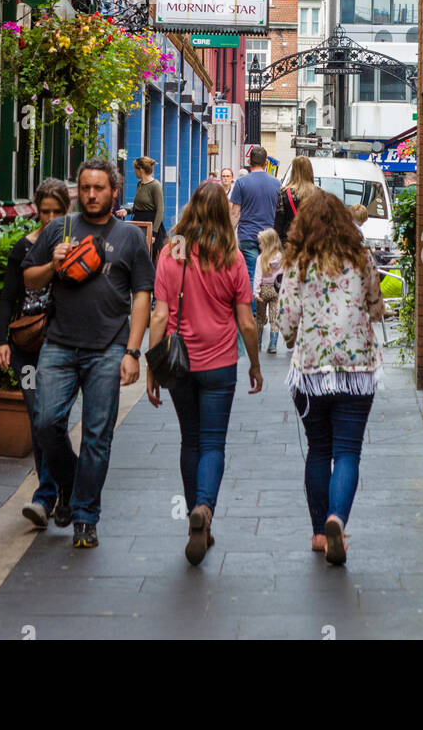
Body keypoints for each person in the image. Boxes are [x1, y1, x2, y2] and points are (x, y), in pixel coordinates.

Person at [24, 158, 154, 549]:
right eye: (84, 188)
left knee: (98, 436)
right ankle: (69, 483)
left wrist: (133, 351)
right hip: (59, 345)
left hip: (108, 349)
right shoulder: (59, 229)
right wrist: (53, 263)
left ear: (114, 192)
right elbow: (29, 279)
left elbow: (143, 295)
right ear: (76, 191)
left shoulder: (130, 237)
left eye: (99, 188)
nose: (91, 195)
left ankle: (85, 517)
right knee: (46, 423)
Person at [147, 181, 263, 565]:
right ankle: (205, 511)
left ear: (191, 208)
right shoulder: (231, 257)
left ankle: (196, 523)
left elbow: (160, 314)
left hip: (179, 364)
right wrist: (255, 364)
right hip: (219, 364)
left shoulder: (170, 252)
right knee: (213, 443)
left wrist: (152, 367)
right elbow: (246, 322)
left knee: (190, 441)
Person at [278, 190, 385, 564]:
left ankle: (319, 533)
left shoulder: (298, 263)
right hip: (357, 371)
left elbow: (287, 321)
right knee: (348, 452)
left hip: (310, 373)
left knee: (319, 450)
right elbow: (376, 306)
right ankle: (337, 517)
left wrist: (293, 338)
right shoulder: (361, 258)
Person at [0, 178, 70, 530]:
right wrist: (1, 341)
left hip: (61, 348)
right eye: (45, 212)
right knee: (38, 415)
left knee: (52, 421)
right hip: (27, 348)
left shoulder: (74, 247)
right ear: (36, 210)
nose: (49, 218)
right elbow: (8, 297)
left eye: (56, 212)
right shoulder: (23, 248)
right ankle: (47, 495)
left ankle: (59, 490)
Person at [228, 145, 280, 305]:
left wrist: (229, 234)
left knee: (251, 275)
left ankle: (252, 317)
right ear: (266, 163)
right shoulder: (277, 184)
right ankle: (266, 313)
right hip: (270, 239)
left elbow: (235, 213)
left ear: (249, 161)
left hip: (248, 236)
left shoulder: (241, 183)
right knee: (270, 278)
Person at [253, 227, 284, 355]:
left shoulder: (261, 258)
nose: (259, 245)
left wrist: (256, 292)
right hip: (276, 291)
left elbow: (257, 277)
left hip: (263, 291)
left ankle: (258, 344)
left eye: (260, 243)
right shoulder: (281, 257)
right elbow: (283, 275)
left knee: (260, 318)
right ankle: (272, 345)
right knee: (274, 319)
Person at [129, 155, 166, 259]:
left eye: (135, 169)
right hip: (138, 223)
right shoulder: (139, 184)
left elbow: (160, 210)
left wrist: (153, 233)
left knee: (150, 256)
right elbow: (139, 207)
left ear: (141, 169)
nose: (134, 172)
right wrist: (126, 211)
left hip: (151, 224)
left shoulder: (155, 185)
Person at [274, 155, 315, 245]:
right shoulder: (318, 193)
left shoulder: (284, 192)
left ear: (293, 171)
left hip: (289, 242)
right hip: (311, 242)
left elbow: (278, 222)